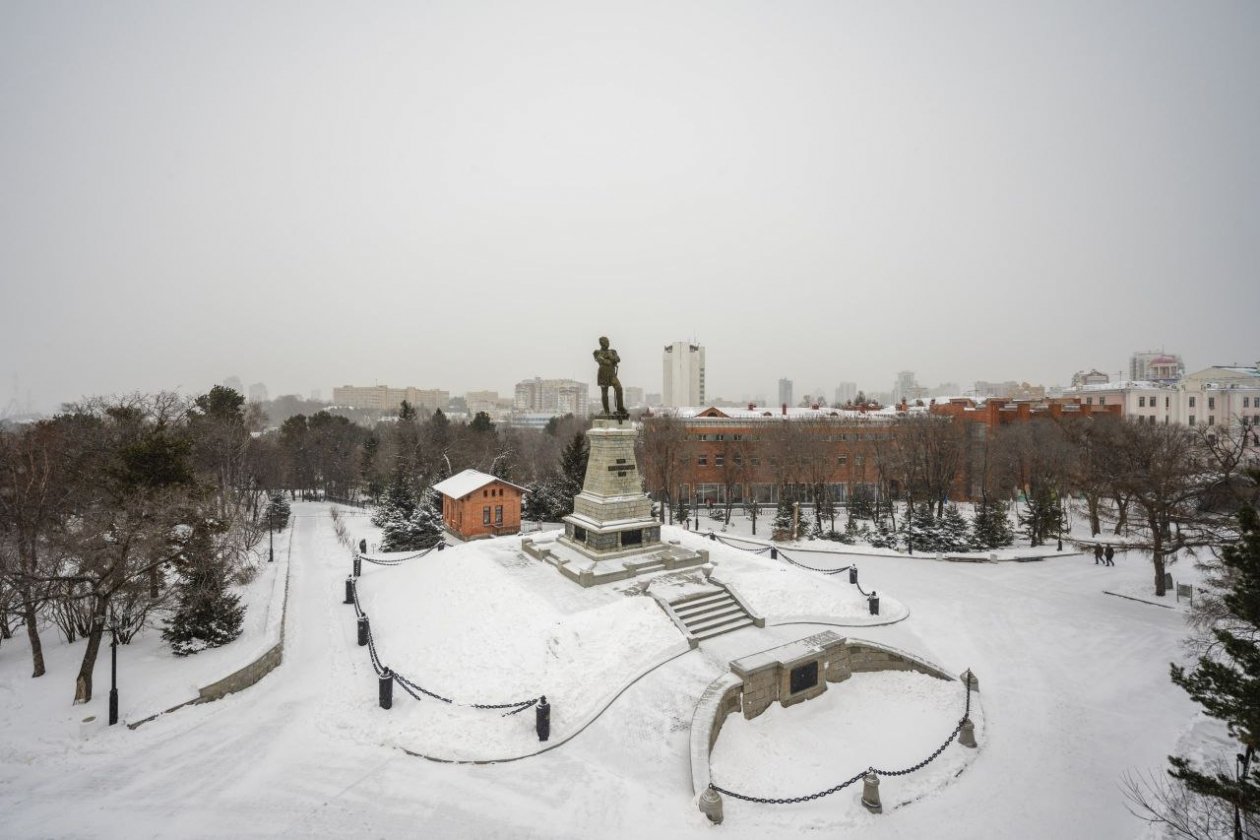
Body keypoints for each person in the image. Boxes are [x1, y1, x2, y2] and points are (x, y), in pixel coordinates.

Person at [593, 336, 627, 419]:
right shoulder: (597, 352)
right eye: (605, 342)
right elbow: (601, 360)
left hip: (612, 374)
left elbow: (618, 359)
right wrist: (609, 360)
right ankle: (606, 411)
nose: (607, 343)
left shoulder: (612, 351)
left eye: (608, 341)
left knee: (619, 388)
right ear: (601, 343)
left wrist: (611, 357)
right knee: (604, 393)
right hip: (603, 374)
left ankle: (620, 408)